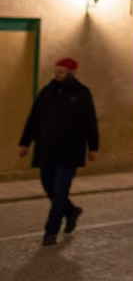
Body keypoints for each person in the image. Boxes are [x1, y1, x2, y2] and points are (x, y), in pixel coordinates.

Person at [19, 57, 99, 246]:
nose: (57, 74)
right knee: (49, 187)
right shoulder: (47, 92)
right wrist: (25, 143)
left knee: (60, 192)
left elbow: (90, 121)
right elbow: (34, 118)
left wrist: (93, 147)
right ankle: (71, 211)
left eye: (61, 71)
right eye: (56, 71)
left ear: (71, 73)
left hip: (70, 151)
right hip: (46, 149)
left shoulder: (81, 93)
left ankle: (50, 232)